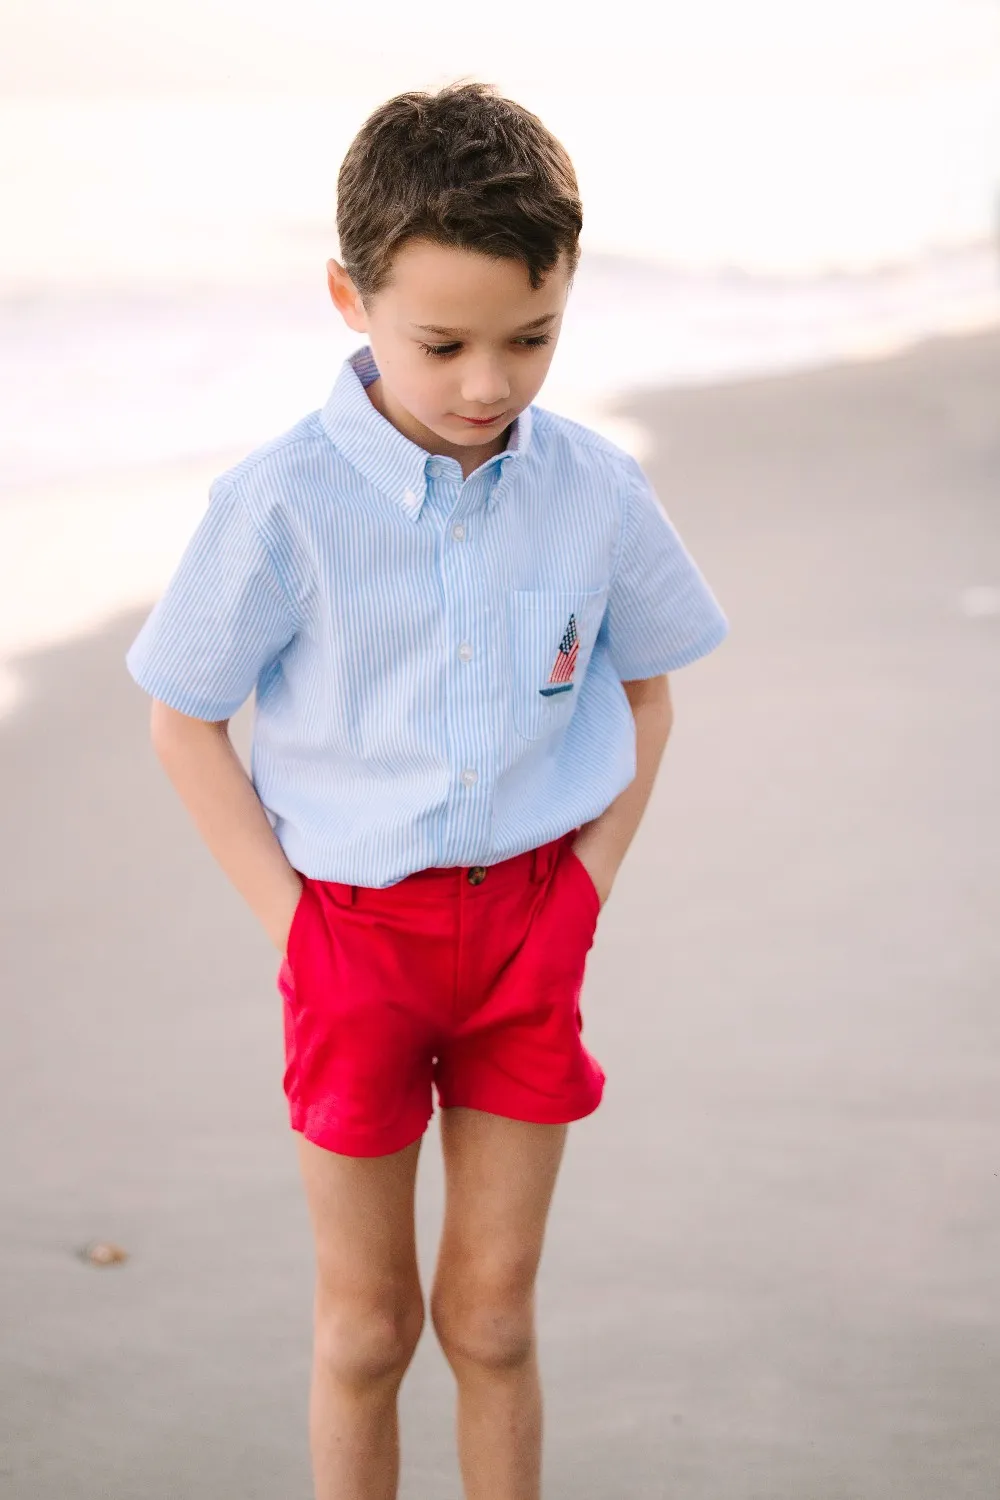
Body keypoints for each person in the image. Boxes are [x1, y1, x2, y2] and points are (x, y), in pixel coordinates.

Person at [126, 80, 728, 1500]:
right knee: (367, 1330)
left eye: (532, 339)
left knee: (495, 1320)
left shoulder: (595, 488)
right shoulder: (276, 504)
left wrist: (582, 893)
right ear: (351, 297)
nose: (487, 383)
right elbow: (181, 722)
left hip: (531, 930)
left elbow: (647, 692)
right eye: (442, 342)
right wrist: (300, 934)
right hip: (350, 941)